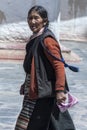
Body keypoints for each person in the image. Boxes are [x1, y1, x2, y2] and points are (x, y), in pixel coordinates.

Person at [15, 5, 76, 130]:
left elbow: (58, 66)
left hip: (43, 91)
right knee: (48, 122)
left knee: (32, 124)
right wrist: (26, 83)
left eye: (36, 18)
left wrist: (60, 90)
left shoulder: (47, 40)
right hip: (37, 88)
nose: (32, 22)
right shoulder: (35, 38)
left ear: (44, 20)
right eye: (30, 18)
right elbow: (35, 67)